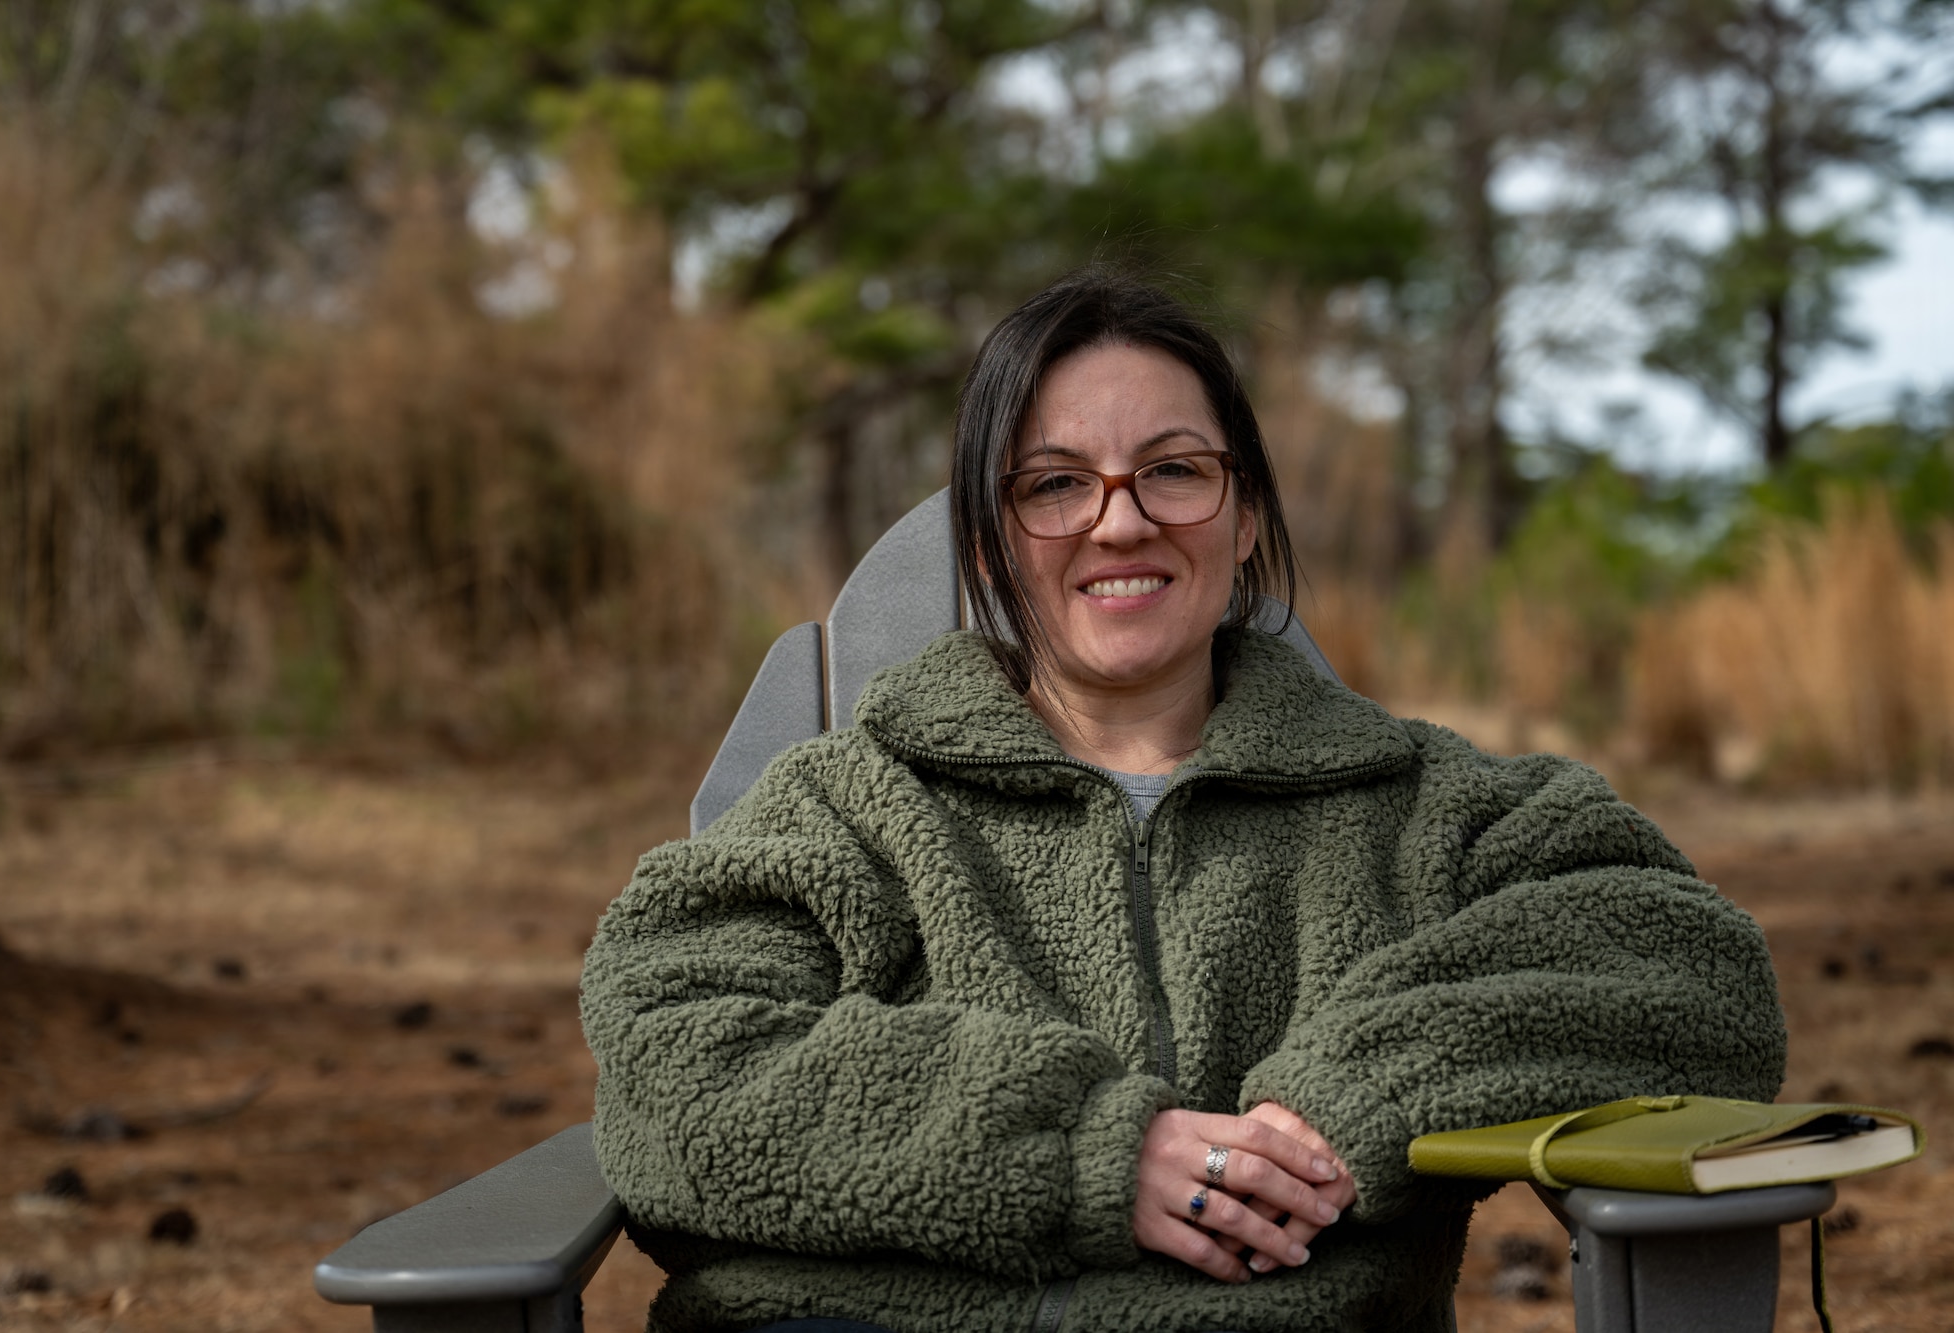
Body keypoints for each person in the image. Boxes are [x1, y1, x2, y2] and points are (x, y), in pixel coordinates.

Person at [579, 270, 1787, 1333]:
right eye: (1053, 483)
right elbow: (666, 1053)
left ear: (1245, 511)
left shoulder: (1418, 808)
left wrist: (1346, 1099)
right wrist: (1089, 1150)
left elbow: (1681, 960)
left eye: (1173, 470)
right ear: (991, 544)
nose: (1120, 519)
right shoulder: (848, 808)